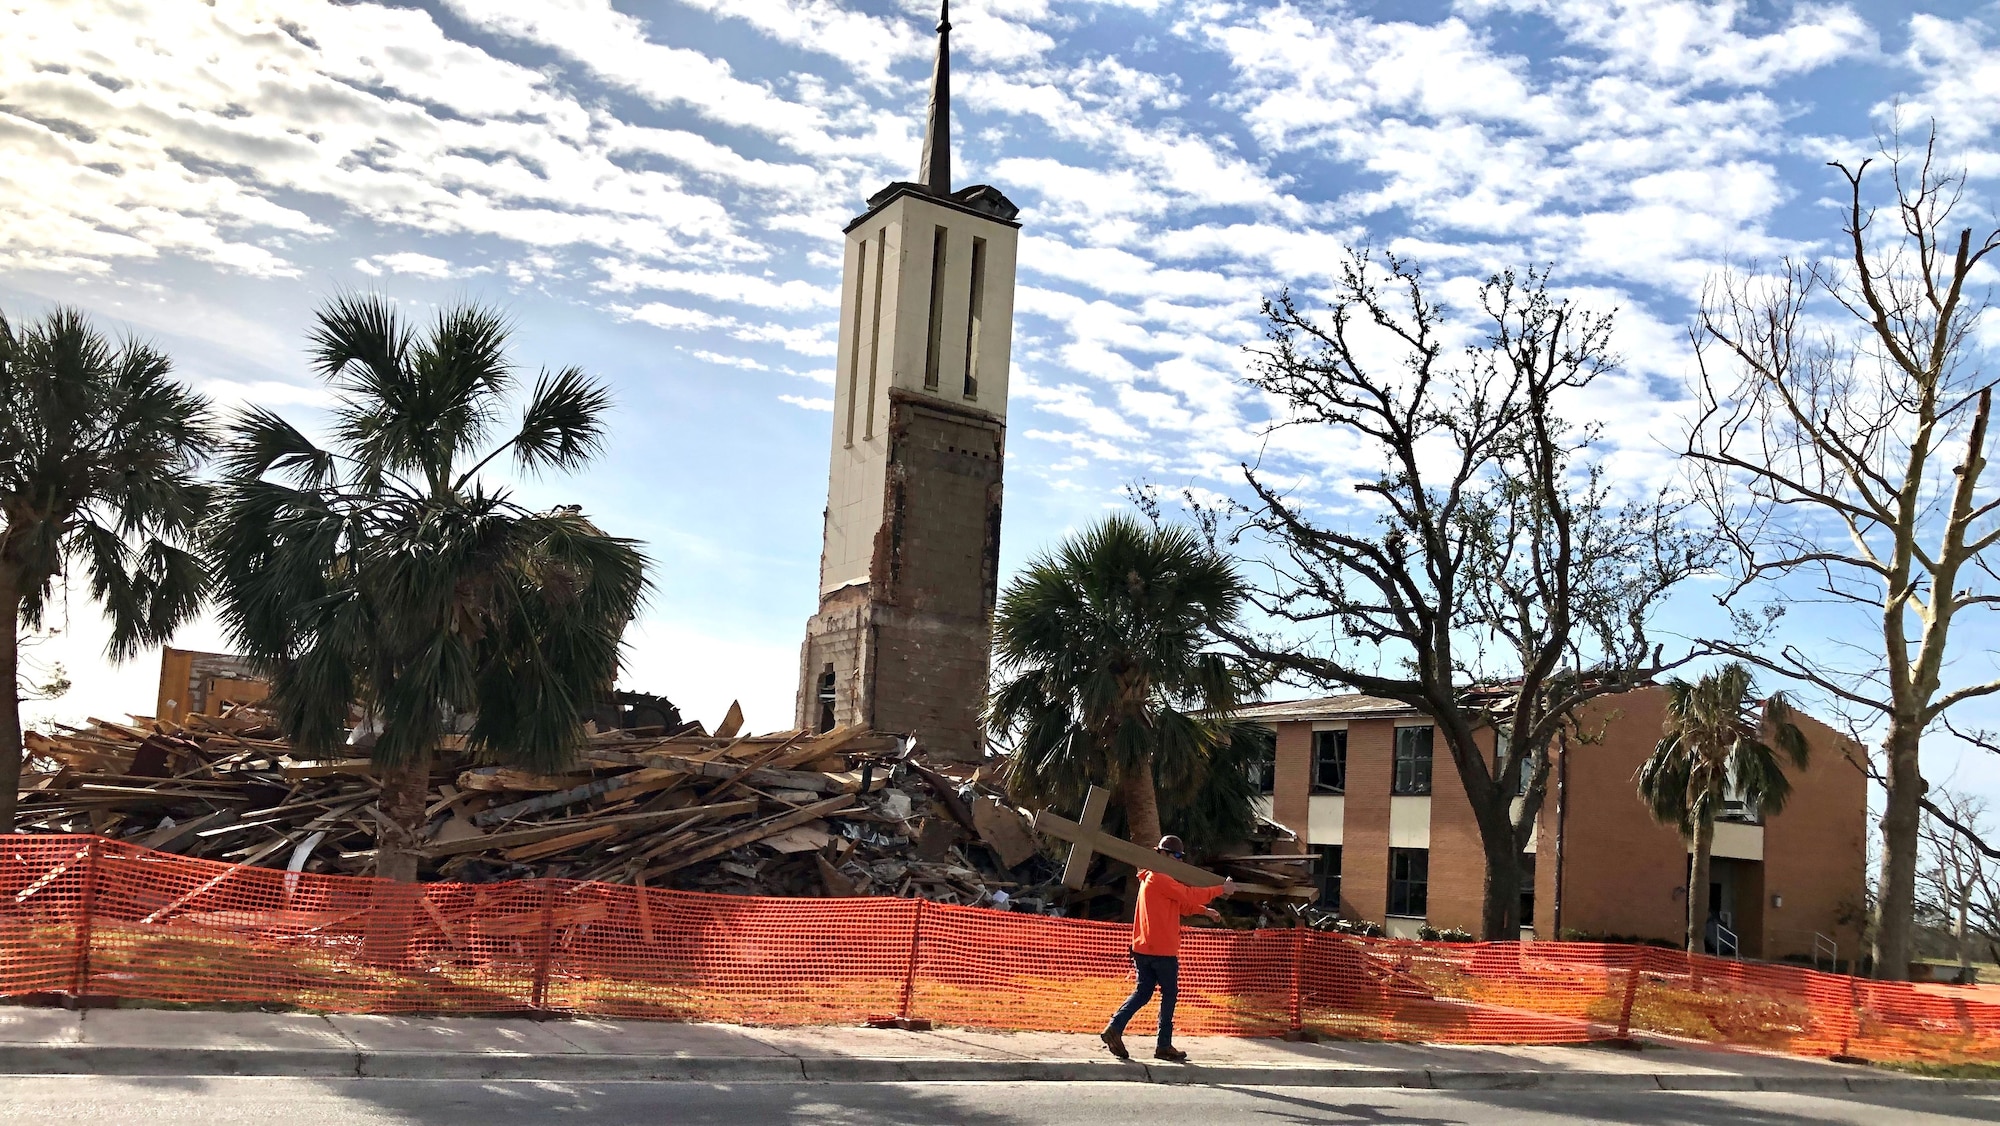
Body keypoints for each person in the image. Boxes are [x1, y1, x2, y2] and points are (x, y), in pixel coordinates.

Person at [1099, 834, 1235, 1062]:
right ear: (1162, 854)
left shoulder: (1150, 878)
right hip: (1161, 950)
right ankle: (1163, 1045)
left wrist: (1205, 911)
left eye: (1181, 857)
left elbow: (1181, 904)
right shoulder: (1160, 878)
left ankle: (1115, 1028)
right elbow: (1188, 894)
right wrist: (1221, 889)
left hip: (1144, 948)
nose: (1179, 861)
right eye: (1176, 856)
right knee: (1169, 995)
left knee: (1143, 993)